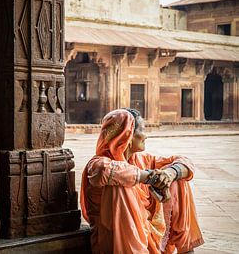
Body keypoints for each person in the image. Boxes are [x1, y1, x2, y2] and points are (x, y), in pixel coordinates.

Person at [80, 108, 204, 254]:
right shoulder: (97, 164)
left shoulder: (141, 160)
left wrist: (169, 175)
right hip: (117, 239)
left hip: (147, 232)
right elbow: (105, 171)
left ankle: (186, 250)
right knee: (119, 186)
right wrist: (151, 178)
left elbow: (184, 162)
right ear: (127, 135)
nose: (146, 136)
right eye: (142, 130)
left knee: (178, 179)